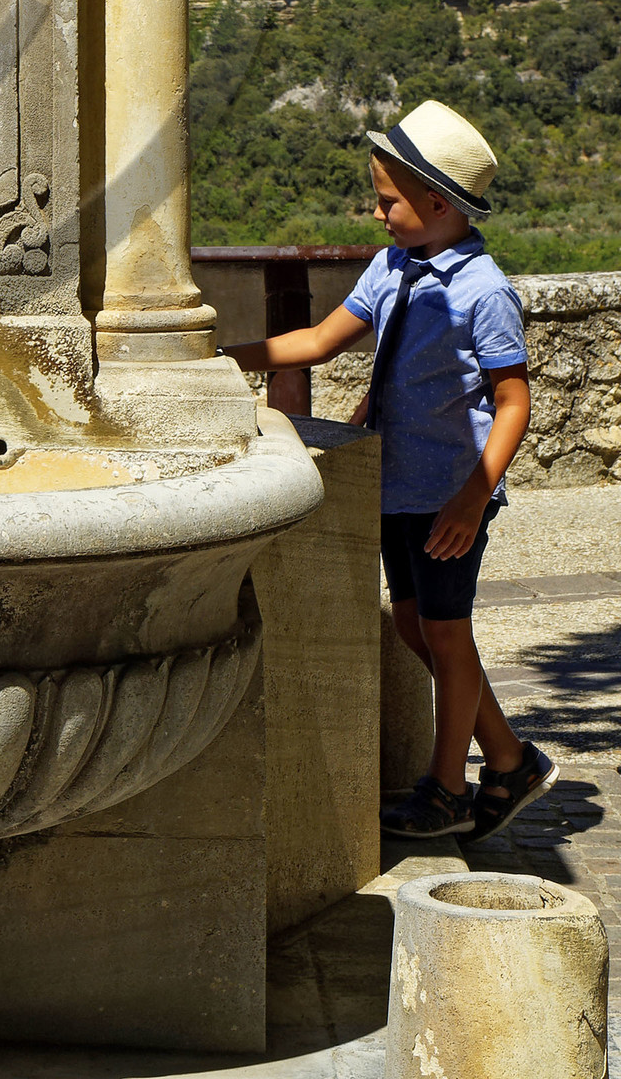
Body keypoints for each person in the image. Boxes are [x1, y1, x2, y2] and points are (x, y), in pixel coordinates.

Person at [231, 98, 556, 842]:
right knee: (419, 628)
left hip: (448, 498)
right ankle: (507, 758)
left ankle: (447, 789)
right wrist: (216, 359)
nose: (376, 215)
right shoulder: (391, 267)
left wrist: (474, 497)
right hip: (397, 489)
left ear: (435, 201)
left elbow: (513, 401)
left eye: (387, 200)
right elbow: (317, 342)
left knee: (446, 635)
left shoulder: (484, 291)